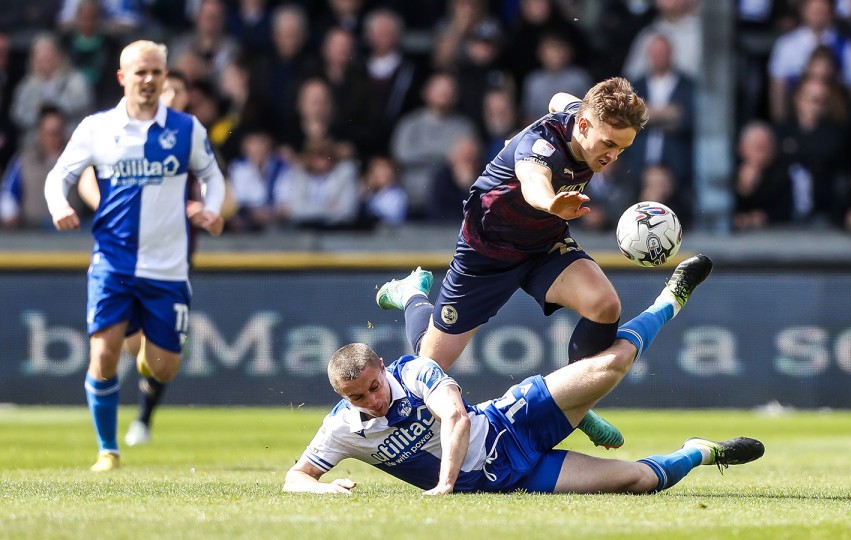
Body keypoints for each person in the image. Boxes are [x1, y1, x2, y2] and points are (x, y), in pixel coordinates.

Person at [285, 255, 765, 495]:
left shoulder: (411, 372)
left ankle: (669, 299)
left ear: (383, 370)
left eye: (374, 386)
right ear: (340, 397)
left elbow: (454, 417)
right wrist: (323, 489)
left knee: (612, 362)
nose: (373, 400)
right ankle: (702, 451)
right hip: (513, 476)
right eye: (359, 397)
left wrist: (445, 484)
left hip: (512, 420)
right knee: (640, 481)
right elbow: (295, 479)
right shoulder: (343, 430)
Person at [377, 77, 647, 449]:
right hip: (486, 252)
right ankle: (411, 297)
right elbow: (533, 179)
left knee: (605, 306)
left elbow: (559, 98)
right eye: (609, 144)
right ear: (584, 127)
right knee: (427, 371)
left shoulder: (578, 118)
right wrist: (551, 203)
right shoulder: (540, 148)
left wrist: (567, 106)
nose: (613, 157)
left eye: (623, 149)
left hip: (542, 244)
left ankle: (575, 404)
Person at [44, 40, 226, 472]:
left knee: (162, 368)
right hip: (113, 263)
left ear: (165, 78)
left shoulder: (186, 129)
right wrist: (60, 206)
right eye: (139, 72)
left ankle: (147, 353)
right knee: (103, 355)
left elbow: (212, 176)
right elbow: (60, 175)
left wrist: (213, 210)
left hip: (168, 269)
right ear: (122, 77)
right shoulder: (97, 128)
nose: (148, 80)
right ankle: (108, 449)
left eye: (155, 72)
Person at [74, 69, 205, 448]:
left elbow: (223, 196)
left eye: (175, 91)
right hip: (123, 257)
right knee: (131, 346)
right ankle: (123, 432)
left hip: (172, 261)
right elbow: (87, 173)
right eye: (164, 90)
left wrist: (204, 209)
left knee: (161, 359)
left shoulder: (191, 141)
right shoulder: (120, 133)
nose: (167, 96)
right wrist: (108, 206)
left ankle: (143, 419)